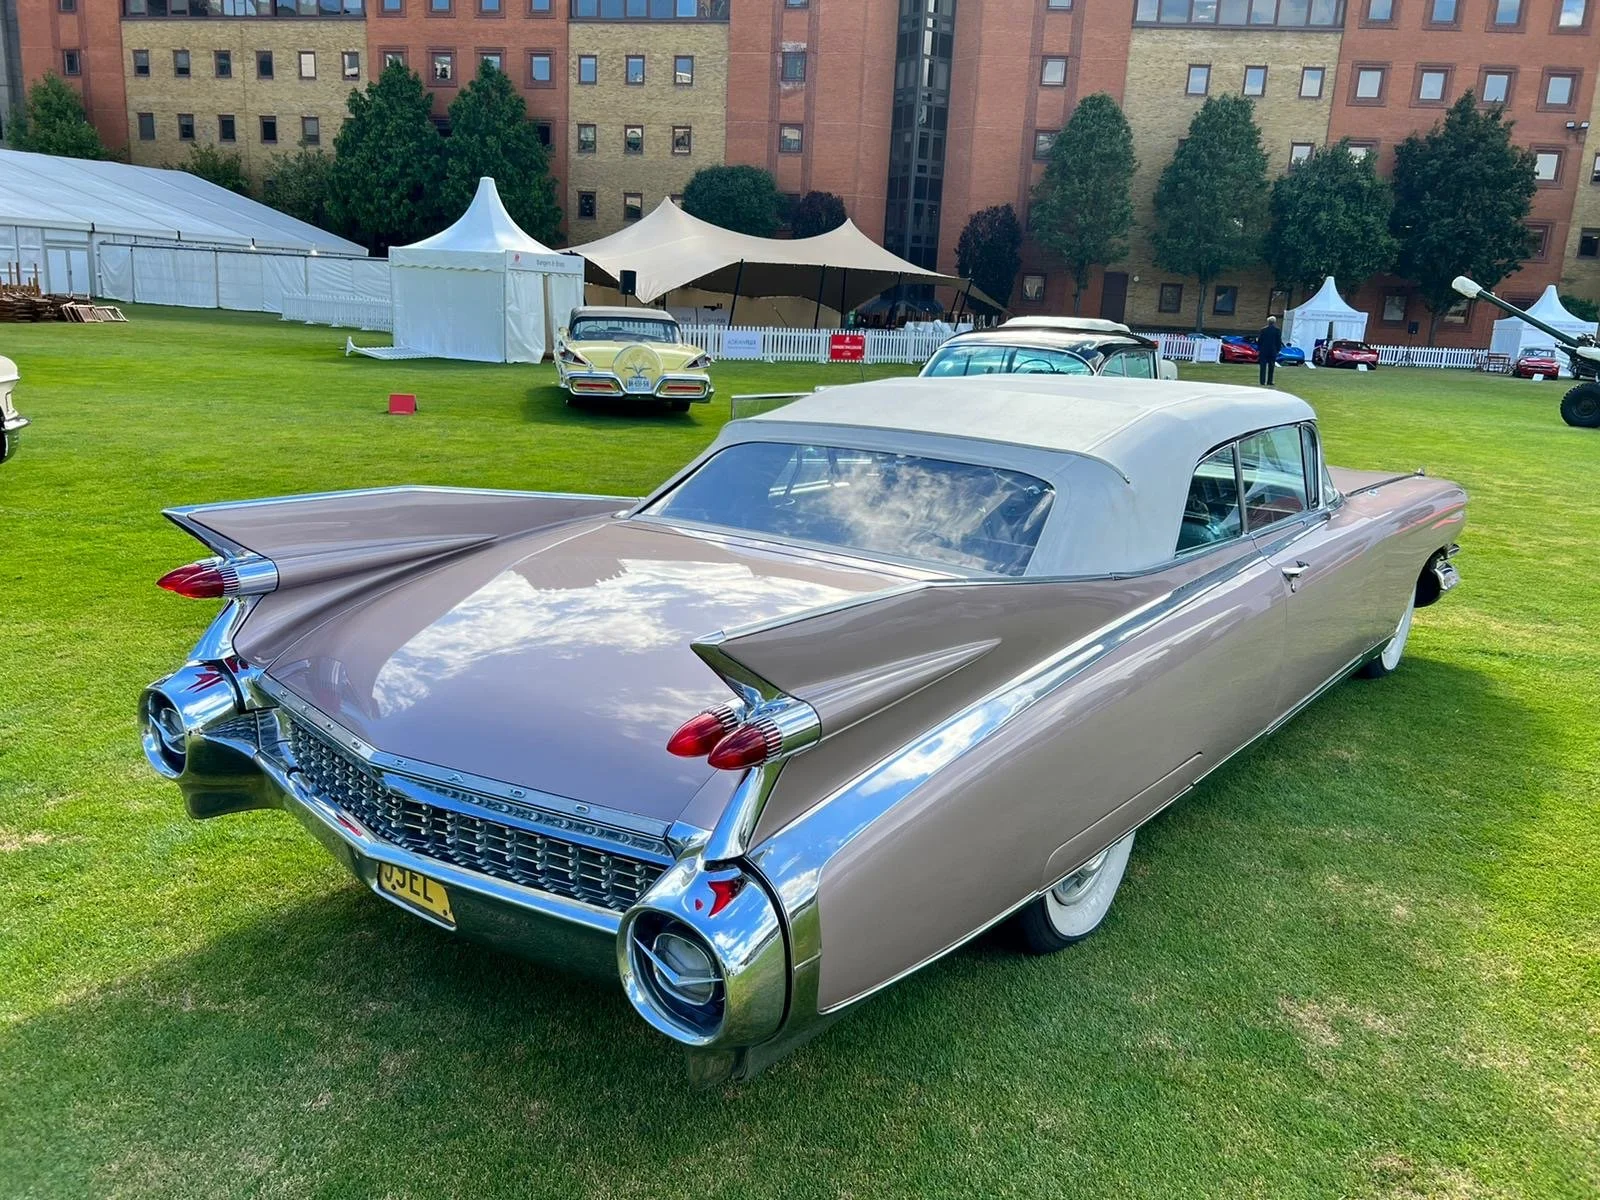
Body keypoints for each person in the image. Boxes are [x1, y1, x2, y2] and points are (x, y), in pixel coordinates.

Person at [1257, 316, 1283, 387]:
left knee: (1263, 366)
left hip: (1264, 350)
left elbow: (1260, 340)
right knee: (1271, 366)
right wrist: (1278, 349)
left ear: (1268, 322)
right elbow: (1278, 341)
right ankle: (1270, 381)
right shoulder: (1277, 330)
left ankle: (1262, 381)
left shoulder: (1263, 330)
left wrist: (1259, 349)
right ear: (1274, 322)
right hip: (1272, 350)